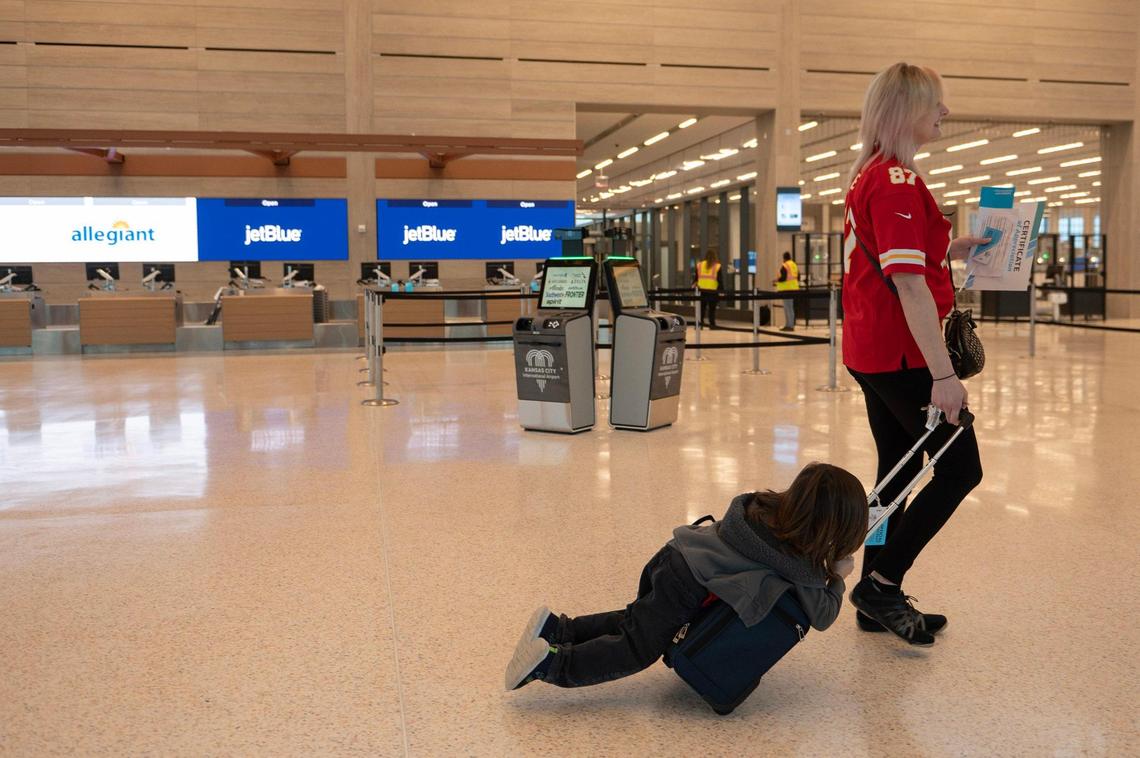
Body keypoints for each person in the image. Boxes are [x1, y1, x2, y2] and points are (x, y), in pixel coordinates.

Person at [841, 62, 989, 647]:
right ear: (907, 111)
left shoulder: (870, 175)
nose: (944, 112)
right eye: (936, 103)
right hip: (903, 358)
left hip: (869, 350)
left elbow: (892, 260)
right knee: (960, 468)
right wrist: (944, 374)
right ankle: (880, 583)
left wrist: (947, 247)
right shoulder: (898, 181)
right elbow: (907, 286)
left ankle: (874, 599)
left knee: (895, 472)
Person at [505, 463, 867, 691]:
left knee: (635, 620)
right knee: (637, 648)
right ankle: (551, 664)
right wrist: (836, 576)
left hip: (677, 552)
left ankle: (557, 629)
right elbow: (822, 615)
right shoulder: (796, 562)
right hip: (687, 585)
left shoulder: (761, 510)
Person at [693, 249, 722, 329]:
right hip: (713, 291)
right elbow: (720, 280)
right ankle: (712, 325)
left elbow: (696, 278)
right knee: (712, 310)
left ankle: (700, 324)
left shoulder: (699, 265)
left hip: (701, 291)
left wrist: (694, 284)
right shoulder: (717, 266)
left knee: (701, 309)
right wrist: (721, 291)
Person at [773, 251, 800, 331]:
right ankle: (790, 325)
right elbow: (798, 276)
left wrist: (776, 281)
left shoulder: (785, 265)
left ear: (784, 258)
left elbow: (783, 278)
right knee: (790, 307)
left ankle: (789, 325)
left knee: (787, 307)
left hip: (786, 289)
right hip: (794, 289)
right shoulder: (794, 265)